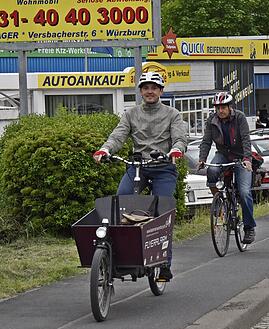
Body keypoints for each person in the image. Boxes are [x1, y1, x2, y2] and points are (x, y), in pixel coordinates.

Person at [93, 71, 187, 281]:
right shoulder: (131, 114)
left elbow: (180, 138)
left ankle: (164, 263)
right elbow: (118, 135)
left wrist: (176, 150)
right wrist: (105, 150)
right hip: (138, 166)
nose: (150, 91)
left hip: (163, 166)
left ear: (161, 91)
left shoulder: (172, 114)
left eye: (154, 87)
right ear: (141, 92)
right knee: (120, 203)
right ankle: (119, 255)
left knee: (163, 212)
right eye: (145, 88)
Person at [197, 92, 257, 244]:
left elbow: (245, 139)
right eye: (217, 108)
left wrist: (247, 159)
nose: (220, 111)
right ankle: (219, 202)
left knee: (244, 193)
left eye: (223, 107)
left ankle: (249, 227)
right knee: (211, 171)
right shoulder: (212, 120)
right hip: (223, 154)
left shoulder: (240, 117)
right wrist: (202, 159)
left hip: (240, 156)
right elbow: (206, 141)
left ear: (230, 107)